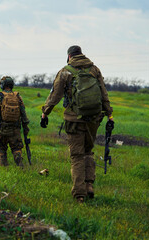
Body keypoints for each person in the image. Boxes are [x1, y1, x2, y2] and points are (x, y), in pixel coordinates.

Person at [40, 45, 113, 203]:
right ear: (81, 54)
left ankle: (79, 194)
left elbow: (55, 95)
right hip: (93, 119)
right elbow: (103, 93)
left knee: (76, 155)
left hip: (73, 120)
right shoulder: (94, 70)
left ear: (69, 57)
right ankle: (89, 185)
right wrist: (109, 113)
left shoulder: (65, 71)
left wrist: (45, 112)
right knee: (88, 151)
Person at [0, 76, 30, 167]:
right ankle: (19, 161)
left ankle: (4, 167)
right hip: (15, 128)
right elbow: (23, 113)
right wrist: (25, 126)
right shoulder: (17, 96)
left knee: (1, 147)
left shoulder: (0, 96)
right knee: (16, 148)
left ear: (3, 85)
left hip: (3, 128)